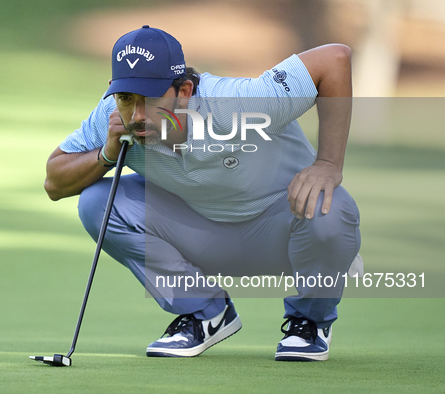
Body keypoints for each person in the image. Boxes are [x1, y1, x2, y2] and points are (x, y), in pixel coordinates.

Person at [44, 25, 361, 361]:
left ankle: (309, 322)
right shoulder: (112, 120)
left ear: (184, 90)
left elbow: (334, 58)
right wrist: (107, 153)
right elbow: (54, 182)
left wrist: (328, 162)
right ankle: (206, 312)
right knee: (97, 202)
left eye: (150, 99)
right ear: (112, 91)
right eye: (126, 99)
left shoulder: (237, 103)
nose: (136, 115)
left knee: (331, 209)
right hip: (204, 236)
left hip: (286, 234)